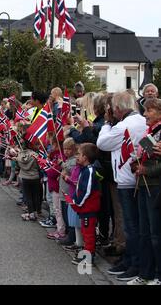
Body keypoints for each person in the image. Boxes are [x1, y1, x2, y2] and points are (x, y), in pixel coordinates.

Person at [97, 91, 147, 281]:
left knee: (131, 226)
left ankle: (134, 263)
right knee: (133, 225)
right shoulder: (141, 122)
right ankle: (130, 260)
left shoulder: (124, 125)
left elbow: (103, 143)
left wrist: (108, 124)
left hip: (127, 180)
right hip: (135, 178)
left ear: (117, 109)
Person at [127, 98, 161, 285]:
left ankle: (158, 275)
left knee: (156, 234)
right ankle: (145, 273)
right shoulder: (149, 132)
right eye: (145, 110)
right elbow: (143, 158)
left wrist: (146, 170)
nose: (145, 114)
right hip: (143, 185)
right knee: (144, 232)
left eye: (149, 110)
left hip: (155, 187)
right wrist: (136, 165)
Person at [68, 143, 101, 266]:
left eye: (79, 155)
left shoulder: (89, 171)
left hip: (88, 207)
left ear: (85, 157)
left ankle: (89, 256)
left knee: (88, 233)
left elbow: (87, 190)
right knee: (85, 231)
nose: (77, 157)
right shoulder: (84, 170)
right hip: (85, 207)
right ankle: (87, 251)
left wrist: (78, 202)